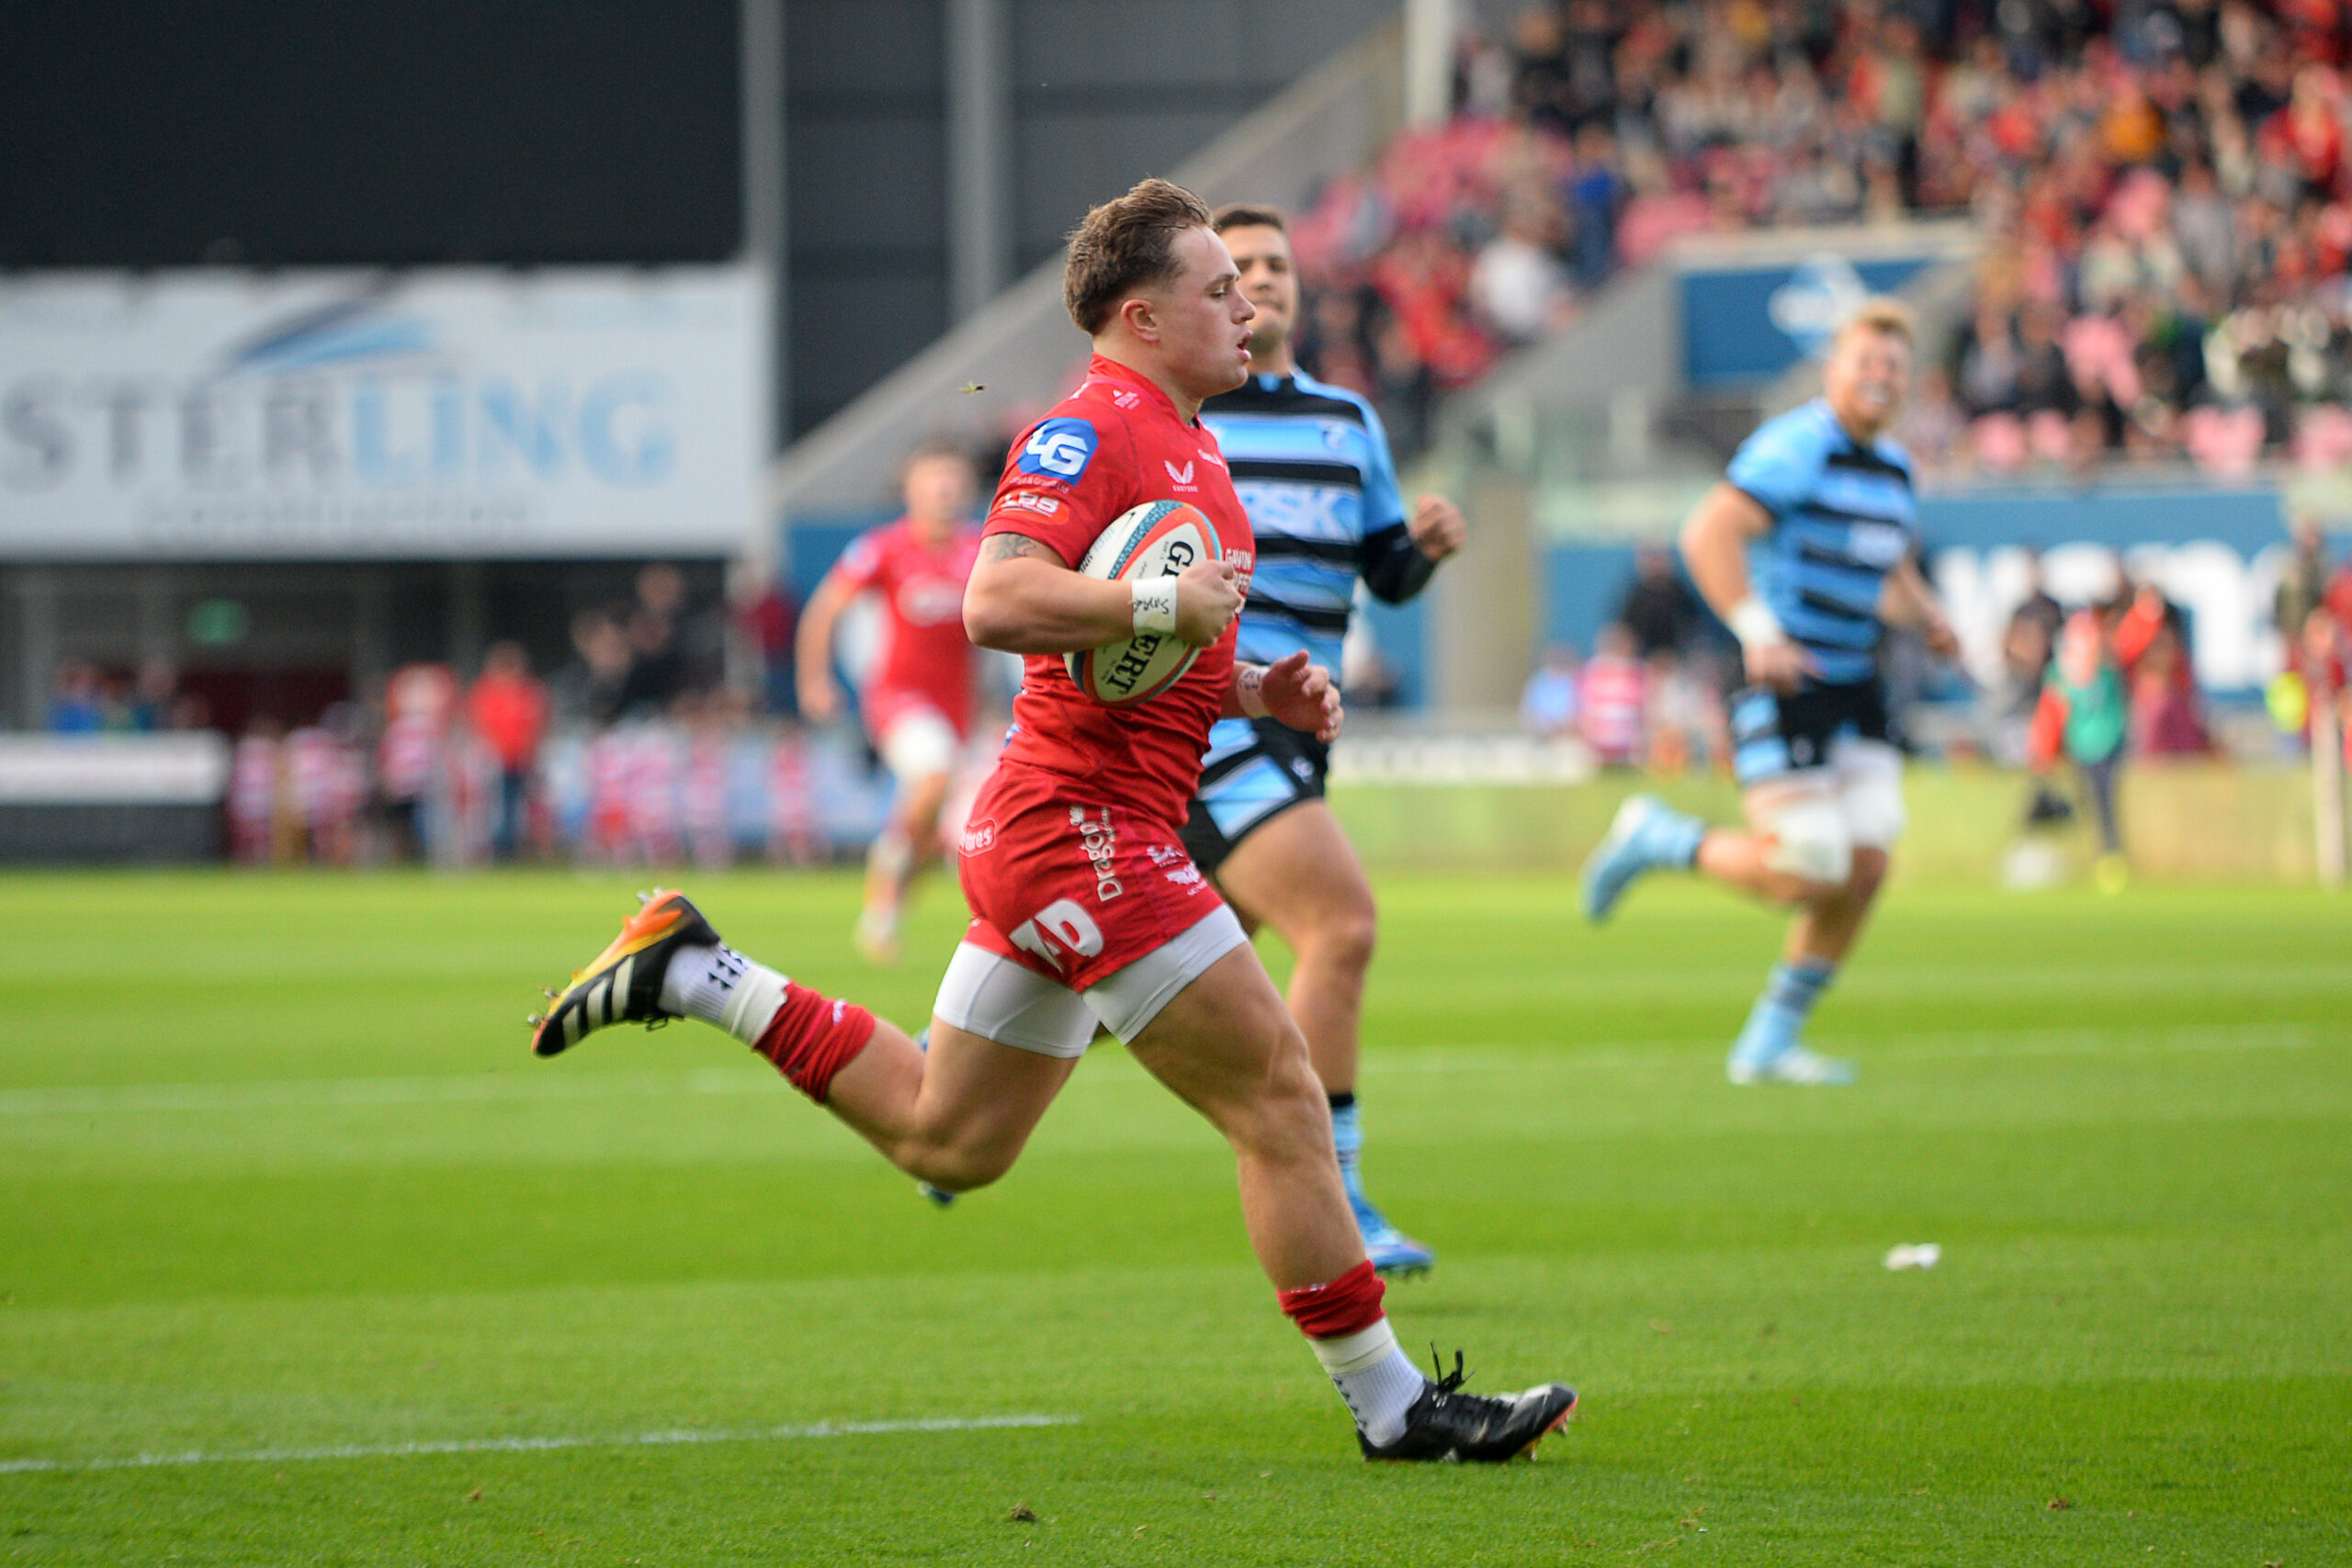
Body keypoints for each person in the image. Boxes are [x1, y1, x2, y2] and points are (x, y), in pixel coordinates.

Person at [525, 178, 1575, 1462]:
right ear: (1141, 314)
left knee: (949, 1136)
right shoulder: (1092, 431)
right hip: (1083, 827)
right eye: (1216, 286)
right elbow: (996, 599)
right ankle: (1396, 1404)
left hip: (1073, 827)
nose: (1245, 301)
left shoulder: (1191, 440)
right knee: (1282, 1093)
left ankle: (693, 967)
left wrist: (1256, 684)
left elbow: (1147, 642)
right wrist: (1161, 616)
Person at [1184, 203, 1469, 1279]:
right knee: (1341, 927)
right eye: (1237, 266)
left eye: (1277, 264)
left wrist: (1425, 548)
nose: (1263, 278)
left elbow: (1384, 571)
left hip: (1304, 727)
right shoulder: (1183, 417)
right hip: (1213, 719)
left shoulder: (1347, 421)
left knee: (1166, 972)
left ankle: (955, 1076)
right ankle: (1340, 1197)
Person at [1580, 299, 1958, 1086]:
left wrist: (1929, 619)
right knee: (1807, 863)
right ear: (1834, 370)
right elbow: (1707, 531)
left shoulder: (1893, 469)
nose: (1881, 376)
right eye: (1866, 361)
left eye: (1894, 364)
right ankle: (1659, 837)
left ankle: (1769, 1041)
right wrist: (1756, 627)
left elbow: (1883, 563)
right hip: (1784, 681)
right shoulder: (1799, 446)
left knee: (1867, 861)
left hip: (1857, 683)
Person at [797, 446, 986, 962]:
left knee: (932, 819)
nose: (944, 490)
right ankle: (885, 880)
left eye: (953, 478)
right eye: (933, 480)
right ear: (912, 491)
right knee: (935, 777)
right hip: (896, 697)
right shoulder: (883, 548)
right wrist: (814, 679)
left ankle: (887, 914)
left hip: (958, 706)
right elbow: (824, 610)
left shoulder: (982, 550)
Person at [2028, 608, 2130, 892]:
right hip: (2081, 748)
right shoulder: (2062, 673)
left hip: (2105, 747)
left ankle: (2109, 858)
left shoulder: (2107, 669)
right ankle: (2096, 858)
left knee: (2103, 803)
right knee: (2085, 804)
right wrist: (2044, 751)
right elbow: (2050, 716)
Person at [465, 642, 548, 863]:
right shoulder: (487, 692)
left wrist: (531, 751)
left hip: (520, 759)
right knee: (492, 807)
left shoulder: (527, 691)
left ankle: (516, 848)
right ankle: (495, 848)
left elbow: (537, 724)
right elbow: (481, 725)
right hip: (495, 760)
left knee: (520, 808)